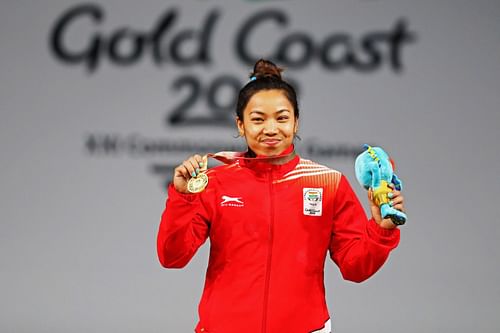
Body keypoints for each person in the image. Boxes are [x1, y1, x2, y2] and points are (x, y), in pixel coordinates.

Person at [157, 59, 405, 333]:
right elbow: (172, 257)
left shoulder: (327, 183)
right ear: (240, 125)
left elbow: (355, 268)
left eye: (282, 118)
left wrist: (381, 230)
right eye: (258, 119)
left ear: (296, 122)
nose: (271, 129)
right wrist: (182, 198)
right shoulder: (215, 184)